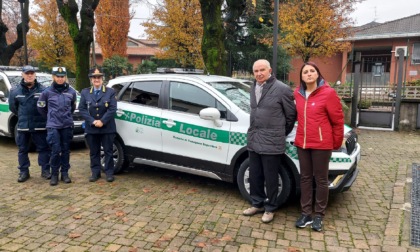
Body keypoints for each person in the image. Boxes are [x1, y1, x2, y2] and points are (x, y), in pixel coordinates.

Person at [243, 59, 296, 223]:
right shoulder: (253, 86)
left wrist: (279, 132)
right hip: (254, 138)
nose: (259, 73)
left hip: (272, 141)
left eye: (262, 70)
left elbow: (291, 116)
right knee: (255, 174)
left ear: (270, 70)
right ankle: (257, 203)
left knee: (271, 177)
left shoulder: (282, 89)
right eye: (256, 71)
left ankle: (270, 208)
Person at [293, 62, 344, 232]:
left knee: (321, 179)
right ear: (301, 76)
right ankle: (306, 213)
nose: (308, 74)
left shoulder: (328, 93)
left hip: (322, 144)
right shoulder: (298, 94)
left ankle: (319, 215)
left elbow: (338, 121)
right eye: (305, 71)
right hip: (303, 143)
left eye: (312, 71)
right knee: (305, 178)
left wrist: (335, 143)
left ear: (318, 74)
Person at [9, 65, 51, 182]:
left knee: (43, 149)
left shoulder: (44, 90)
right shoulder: (15, 91)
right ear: (22, 75)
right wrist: (24, 116)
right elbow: (13, 108)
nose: (29, 75)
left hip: (40, 125)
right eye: (27, 73)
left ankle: (45, 170)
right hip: (24, 126)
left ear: (35, 75)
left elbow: (46, 107)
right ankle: (24, 172)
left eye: (32, 73)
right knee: (22, 150)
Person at [37, 66, 77, 186]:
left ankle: (64, 173)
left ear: (65, 77)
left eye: (62, 77)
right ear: (53, 77)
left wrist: (66, 116)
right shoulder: (47, 92)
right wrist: (50, 117)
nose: (60, 79)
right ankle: (54, 174)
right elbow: (41, 108)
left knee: (65, 151)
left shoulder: (71, 92)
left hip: (66, 125)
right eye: (58, 77)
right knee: (55, 150)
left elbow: (72, 107)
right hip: (53, 126)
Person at [78, 67, 117, 182]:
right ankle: (95, 173)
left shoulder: (110, 92)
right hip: (92, 128)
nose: (96, 79)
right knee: (94, 152)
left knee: (108, 151)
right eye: (94, 77)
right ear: (91, 79)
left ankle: (109, 172)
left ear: (102, 78)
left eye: (99, 77)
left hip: (107, 127)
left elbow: (112, 108)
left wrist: (102, 121)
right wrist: (93, 121)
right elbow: (82, 109)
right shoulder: (85, 92)